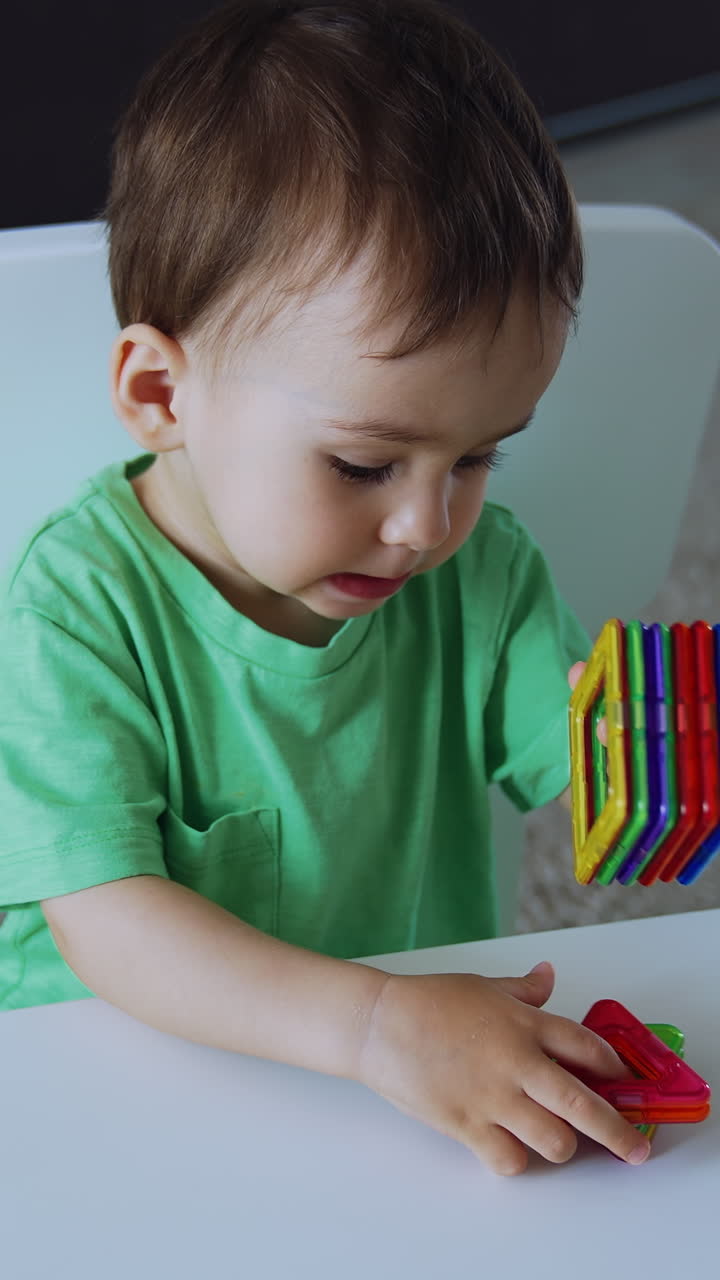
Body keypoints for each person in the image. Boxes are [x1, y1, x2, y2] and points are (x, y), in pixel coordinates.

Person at [0, 0, 648, 1175]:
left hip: (401, 1088)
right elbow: (108, 920)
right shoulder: (73, 610)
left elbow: (613, 781)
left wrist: (666, 761)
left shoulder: (483, 570)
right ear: (159, 394)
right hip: (113, 1089)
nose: (424, 524)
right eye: (362, 463)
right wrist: (375, 1025)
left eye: (481, 453)